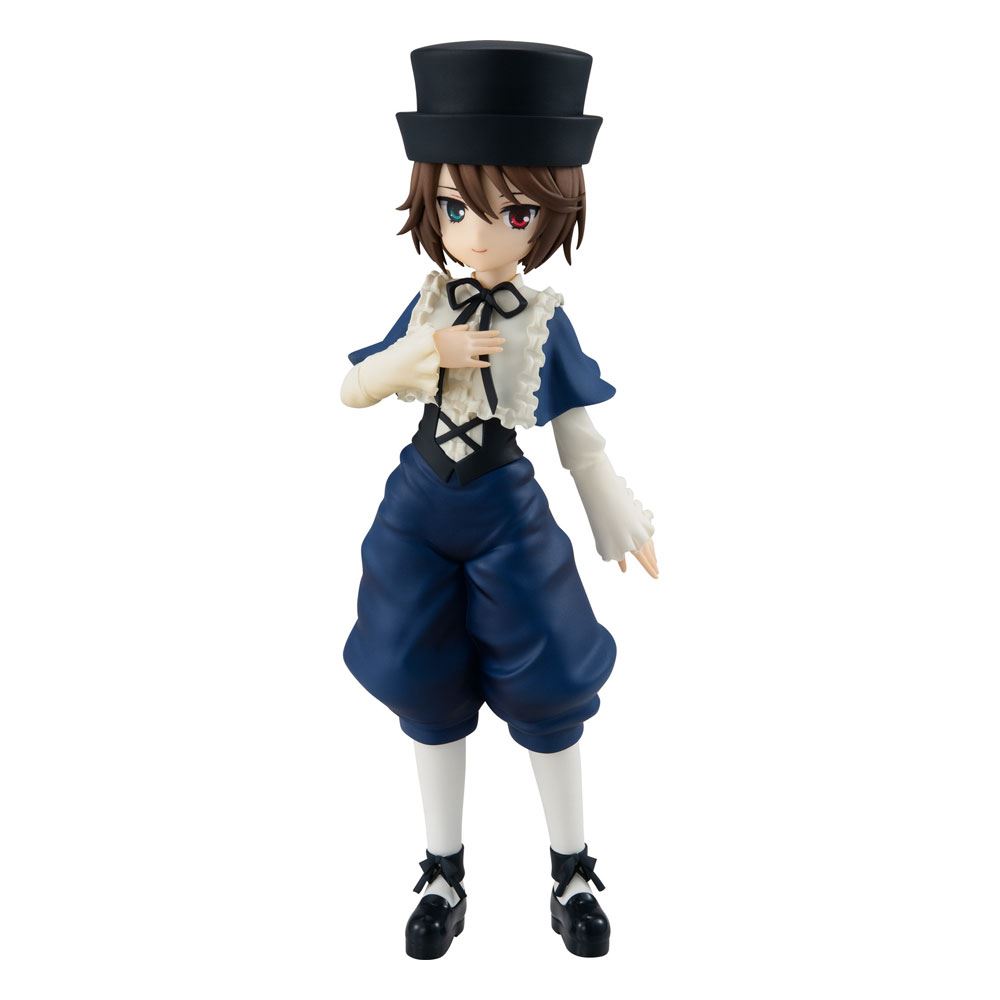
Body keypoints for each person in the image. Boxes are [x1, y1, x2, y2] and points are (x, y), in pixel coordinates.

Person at [341, 40, 656, 959]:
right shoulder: (427, 307)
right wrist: (421, 356)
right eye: (454, 207)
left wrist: (614, 511)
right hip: (417, 508)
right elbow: (354, 388)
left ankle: (573, 870)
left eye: (512, 212)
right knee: (421, 680)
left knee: (550, 678)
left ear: (547, 215)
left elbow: (577, 435)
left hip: (503, 509)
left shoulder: (544, 321)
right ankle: (442, 871)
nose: (477, 235)